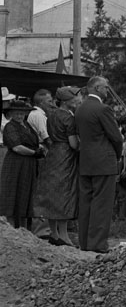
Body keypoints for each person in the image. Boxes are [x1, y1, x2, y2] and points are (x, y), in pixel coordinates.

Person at [76, 76, 124, 253]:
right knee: (102, 204)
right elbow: (116, 137)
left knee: (86, 203)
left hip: (86, 160)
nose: (107, 91)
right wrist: (117, 155)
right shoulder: (103, 109)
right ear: (96, 88)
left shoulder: (80, 109)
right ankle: (97, 244)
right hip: (104, 160)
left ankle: (84, 242)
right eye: (105, 88)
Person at [34, 85, 81, 246]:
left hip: (53, 153)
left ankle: (53, 233)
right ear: (67, 101)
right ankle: (64, 235)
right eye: (75, 97)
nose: (78, 99)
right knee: (64, 192)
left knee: (51, 193)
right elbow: (73, 143)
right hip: (66, 155)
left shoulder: (51, 115)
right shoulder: (68, 117)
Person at [0, 100, 44, 229]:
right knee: (14, 191)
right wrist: (34, 153)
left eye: (22, 113)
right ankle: (12, 228)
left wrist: (39, 149)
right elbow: (17, 147)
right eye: (17, 113)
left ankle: (24, 229)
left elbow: (34, 141)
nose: (20, 116)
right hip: (16, 163)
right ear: (11, 113)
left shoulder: (26, 125)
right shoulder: (10, 126)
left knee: (26, 193)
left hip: (28, 163)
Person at [27, 88, 54, 240]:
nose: (51, 104)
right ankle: (42, 230)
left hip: (40, 154)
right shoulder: (38, 115)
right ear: (41, 102)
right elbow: (46, 137)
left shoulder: (36, 114)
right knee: (43, 192)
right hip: (43, 154)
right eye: (49, 101)